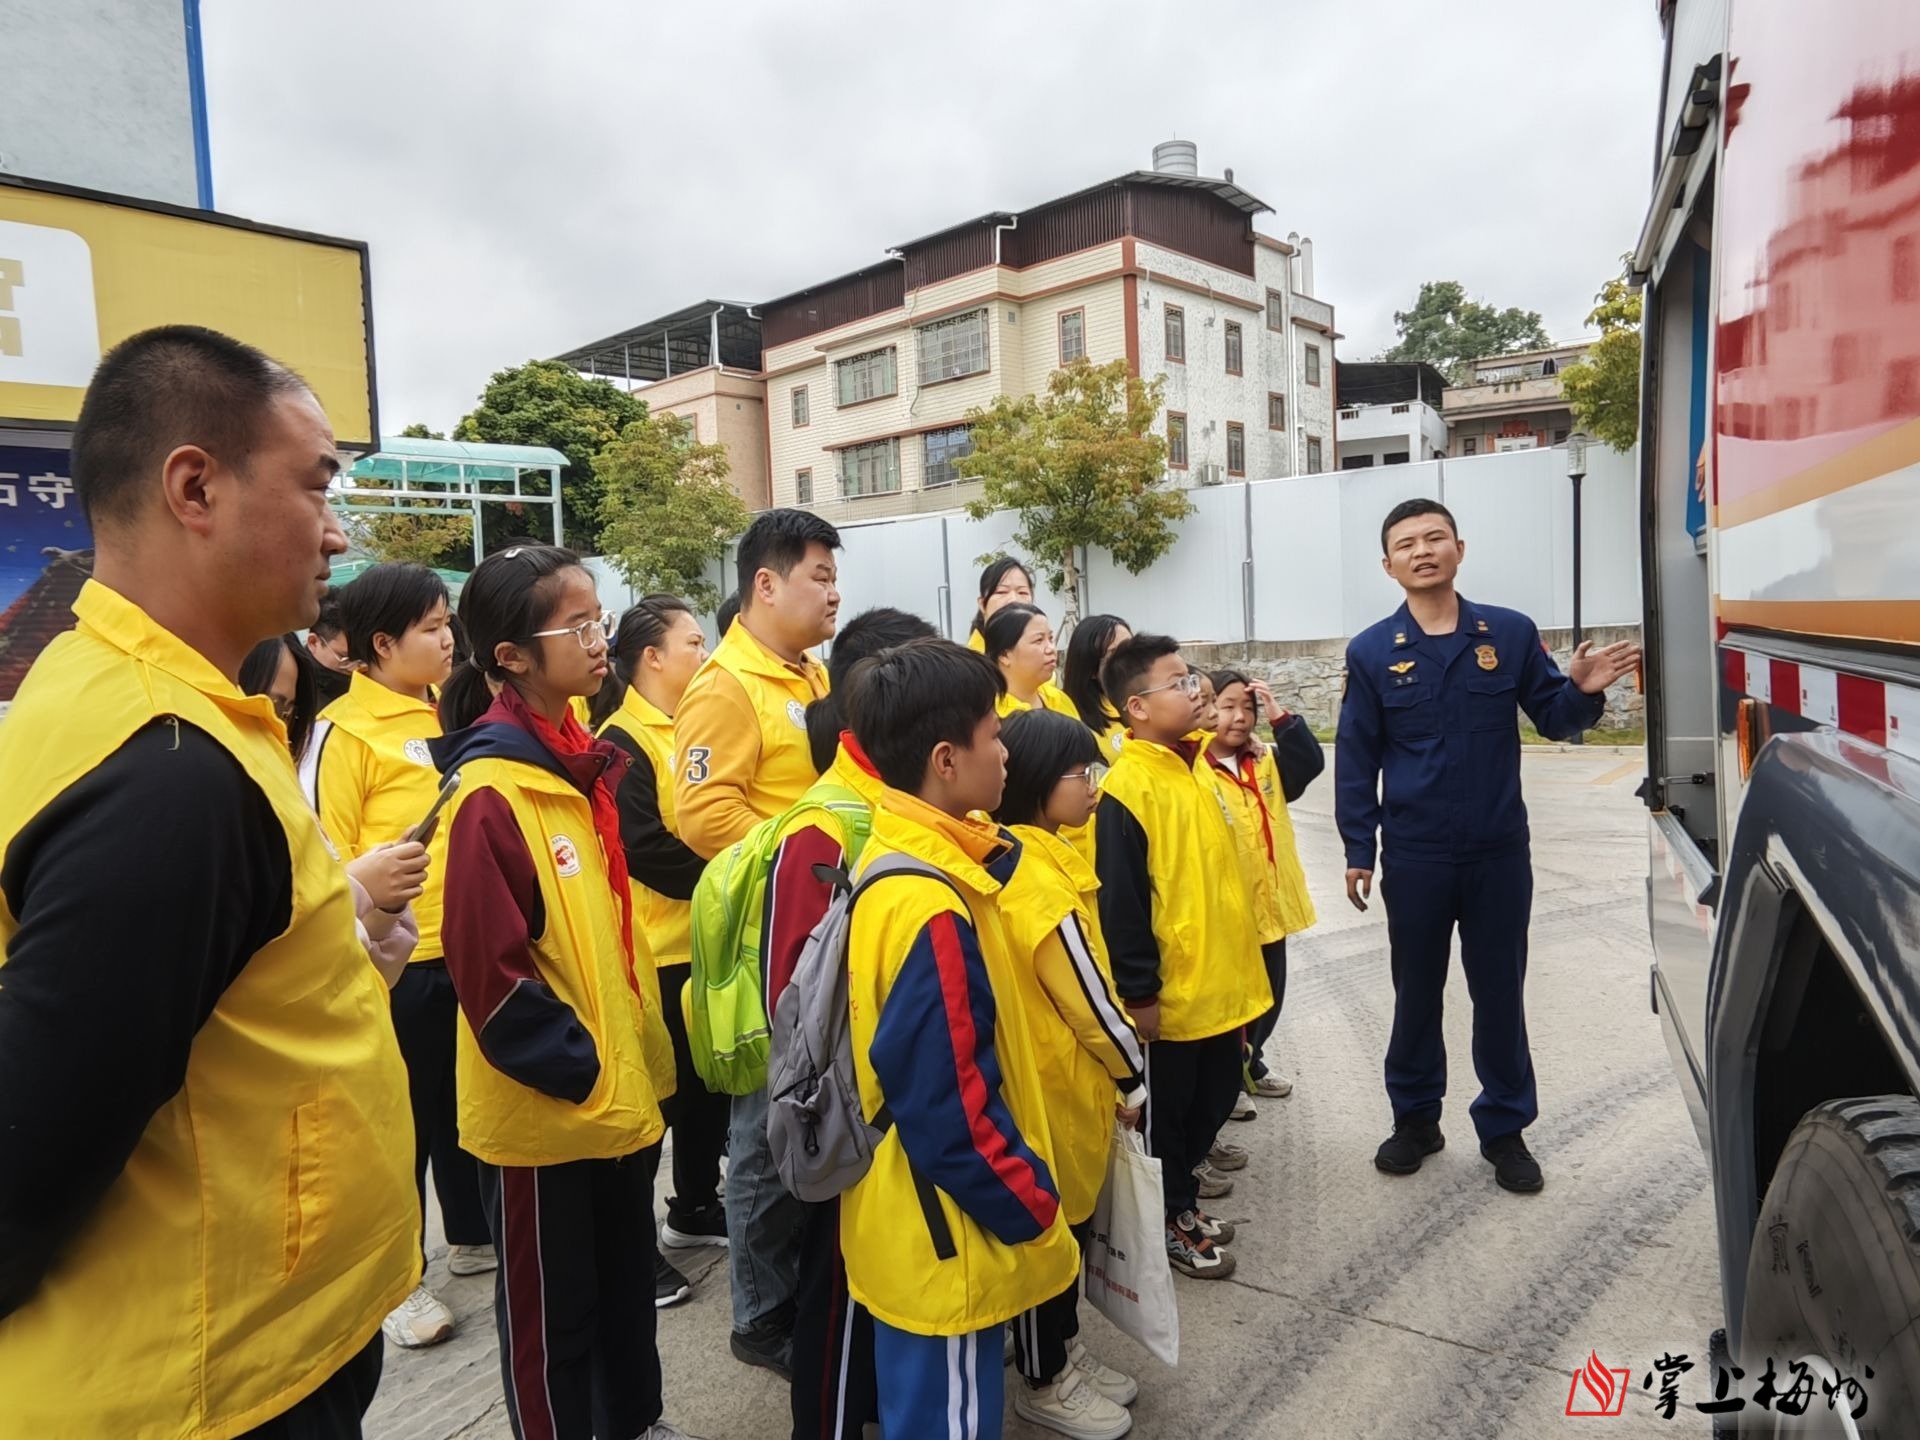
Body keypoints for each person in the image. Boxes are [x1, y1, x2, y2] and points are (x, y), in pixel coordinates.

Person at [0, 325, 417, 1437]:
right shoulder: (167, 766)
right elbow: (31, 1152)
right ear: (196, 488)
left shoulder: (140, 696)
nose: (337, 531)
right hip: (204, 1383)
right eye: (316, 485)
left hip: (241, 1347)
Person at [432, 543, 703, 1440]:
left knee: (625, 1288)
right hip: (549, 1115)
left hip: (614, 1094)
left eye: (599, 619)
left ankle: (636, 1422)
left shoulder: (579, 761)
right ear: (511, 656)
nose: (599, 640)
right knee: (555, 1319)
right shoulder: (492, 791)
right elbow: (492, 979)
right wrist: (583, 1073)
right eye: (577, 626)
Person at [1336, 499, 1639, 1194]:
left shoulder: (1507, 632)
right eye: (1407, 544)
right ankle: (1416, 1119)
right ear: (1388, 565)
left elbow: (1554, 718)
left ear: (1459, 549)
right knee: (1416, 992)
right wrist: (1359, 848)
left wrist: (1581, 692)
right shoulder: (1373, 651)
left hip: (1498, 854)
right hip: (1416, 854)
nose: (1422, 551)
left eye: (1434, 538)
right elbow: (1357, 757)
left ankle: (1505, 1128)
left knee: (1500, 992)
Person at [840, 639, 1079, 1440]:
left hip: (914, 1219)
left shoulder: (903, 857)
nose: (1006, 752)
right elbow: (946, 1106)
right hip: (949, 1235)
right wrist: (1032, 1203)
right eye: (993, 735)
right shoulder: (929, 901)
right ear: (946, 760)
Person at [306, 561, 491, 1349]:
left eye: (448, 625)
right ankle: (398, 1279)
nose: (448, 640)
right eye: (432, 628)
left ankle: (471, 1234)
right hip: (396, 960)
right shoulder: (342, 735)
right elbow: (326, 855)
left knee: (460, 1103)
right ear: (381, 644)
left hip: (468, 948)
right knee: (400, 1123)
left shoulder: (445, 710)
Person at [673, 509, 841, 1375]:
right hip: (770, 942)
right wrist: (803, 857)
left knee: (816, 1115)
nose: (834, 592)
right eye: (819, 576)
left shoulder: (810, 674)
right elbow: (702, 814)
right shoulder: (726, 685)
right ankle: (760, 1314)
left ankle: (805, 1291)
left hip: (823, 935)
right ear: (765, 584)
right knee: (764, 1136)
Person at [778, 606, 937, 1440]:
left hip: (898, 1110)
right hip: (854, 1119)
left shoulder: (902, 800)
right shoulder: (830, 820)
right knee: (836, 1295)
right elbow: (799, 999)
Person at [993, 709, 1147, 1440]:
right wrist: (1133, 1073)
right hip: (1051, 1087)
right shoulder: (1034, 879)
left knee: (1068, 1231)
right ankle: (1043, 1378)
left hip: (1061, 1082)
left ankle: (1062, 1348)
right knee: (1050, 1237)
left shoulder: (1039, 855)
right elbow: (1089, 1000)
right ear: (1036, 783)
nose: (1095, 786)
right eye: (1083, 774)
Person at [1095, 633, 1267, 1280]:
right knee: (1168, 1123)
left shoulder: (1192, 765)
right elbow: (1123, 905)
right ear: (1137, 707)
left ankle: (1182, 1203)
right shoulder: (1128, 790)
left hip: (1221, 985)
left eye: (1192, 679)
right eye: (1179, 683)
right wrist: (1140, 993)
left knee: (1215, 1100)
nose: (1196, 691)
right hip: (1173, 1000)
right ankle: (1169, 1219)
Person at [591, 595, 729, 1310]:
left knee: (706, 1093)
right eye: (693, 643)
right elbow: (642, 847)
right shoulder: (621, 740)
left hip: (702, 942)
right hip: (656, 950)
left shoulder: (693, 727)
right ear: (652, 657)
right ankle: (629, 1252)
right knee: (658, 1106)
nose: (704, 654)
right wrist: (730, 879)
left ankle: (695, 1206)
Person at [241, 633, 425, 988]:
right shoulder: (218, 805)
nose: (278, 727)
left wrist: (384, 904)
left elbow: (358, 962)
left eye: (287, 711)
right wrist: (357, 886)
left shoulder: (285, 793)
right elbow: (275, 960)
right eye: (267, 706)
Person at [1197, 672, 1323, 1181]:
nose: (1238, 717)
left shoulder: (1262, 760)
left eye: (1246, 708)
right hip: (1232, 914)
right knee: (1238, 1010)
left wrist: (1279, 716)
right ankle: (1230, 1084)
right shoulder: (1197, 769)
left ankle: (1251, 1064)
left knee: (1271, 998)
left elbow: (1309, 763)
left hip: (1272, 906)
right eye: (1227, 706)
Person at [1060, 613, 1133, 765]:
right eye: (1115, 653)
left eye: (1131, 648)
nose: (1130, 659)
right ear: (1091, 668)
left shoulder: (1151, 700)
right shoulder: (1072, 725)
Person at [982, 603, 1078, 718]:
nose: (1051, 649)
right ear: (1004, 655)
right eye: (1039, 640)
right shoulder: (988, 715)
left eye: (1050, 638)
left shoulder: (1059, 700)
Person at [966, 555, 1035, 652]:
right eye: (1002, 592)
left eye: (1022, 592)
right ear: (982, 604)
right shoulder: (969, 659)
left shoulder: (1042, 655)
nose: (1013, 599)